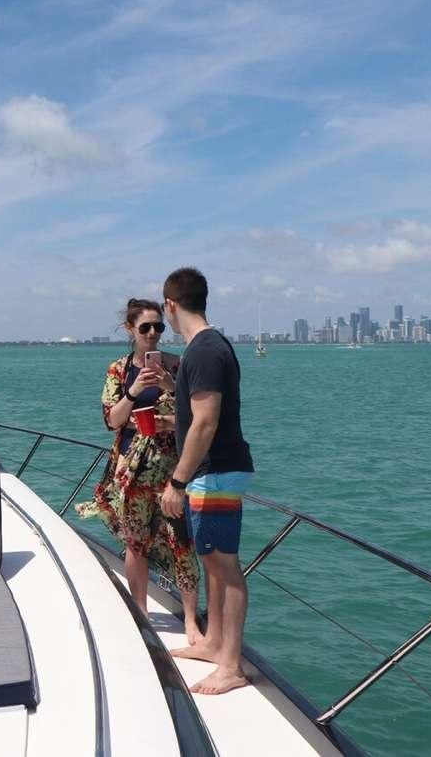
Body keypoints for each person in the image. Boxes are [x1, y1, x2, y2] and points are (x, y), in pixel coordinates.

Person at [77, 299, 202, 643]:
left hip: (172, 474)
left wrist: (169, 387)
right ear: (131, 330)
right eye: (145, 327)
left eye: (158, 327)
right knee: (136, 545)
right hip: (131, 474)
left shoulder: (178, 367)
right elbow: (111, 421)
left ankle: (191, 619)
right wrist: (133, 392)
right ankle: (141, 612)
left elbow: (199, 420)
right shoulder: (118, 371)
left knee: (183, 545)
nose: (152, 333)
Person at [159, 267, 255, 696]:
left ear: (171, 305)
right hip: (212, 471)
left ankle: (231, 665)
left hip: (212, 473)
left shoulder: (202, 350)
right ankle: (214, 642)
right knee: (213, 563)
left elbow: (205, 422)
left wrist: (176, 483)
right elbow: (195, 419)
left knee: (224, 566)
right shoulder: (210, 347)